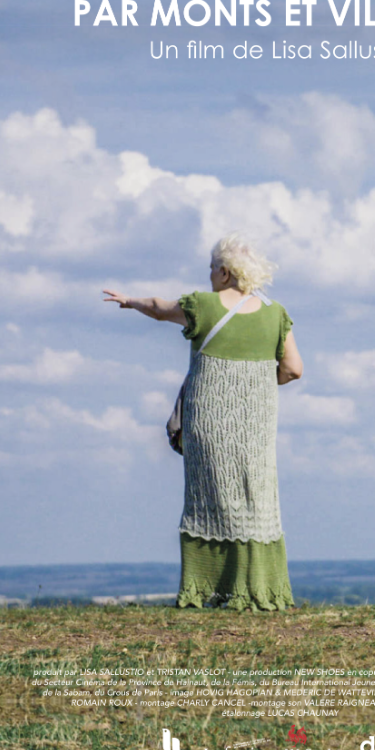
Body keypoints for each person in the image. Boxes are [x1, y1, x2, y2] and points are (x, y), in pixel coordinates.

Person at [104, 235, 303, 611]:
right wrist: (255, 382)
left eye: (212, 268)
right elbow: (294, 369)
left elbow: (161, 309)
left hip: (209, 418)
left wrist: (129, 301)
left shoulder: (204, 305)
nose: (210, 275)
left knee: (209, 499)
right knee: (256, 499)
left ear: (225, 272)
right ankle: (261, 588)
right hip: (257, 424)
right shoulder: (276, 312)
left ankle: (210, 588)